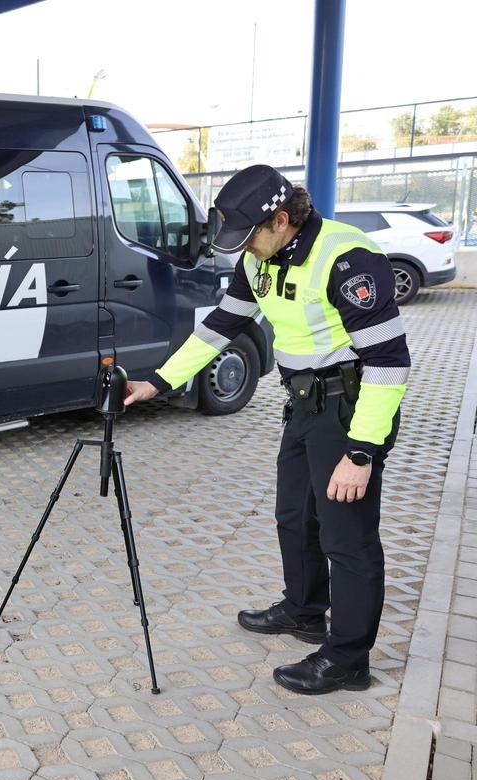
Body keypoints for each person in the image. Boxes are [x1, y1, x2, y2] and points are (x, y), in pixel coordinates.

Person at [125, 164, 410, 694]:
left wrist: (362, 451)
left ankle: (348, 659)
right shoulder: (258, 259)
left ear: (282, 220)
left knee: (347, 538)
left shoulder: (347, 260)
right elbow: (221, 326)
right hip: (302, 403)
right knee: (295, 516)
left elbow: (390, 362)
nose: (243, 250)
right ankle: (304, 610)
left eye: (249, 237)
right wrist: (158, 383)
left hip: (349, 408)